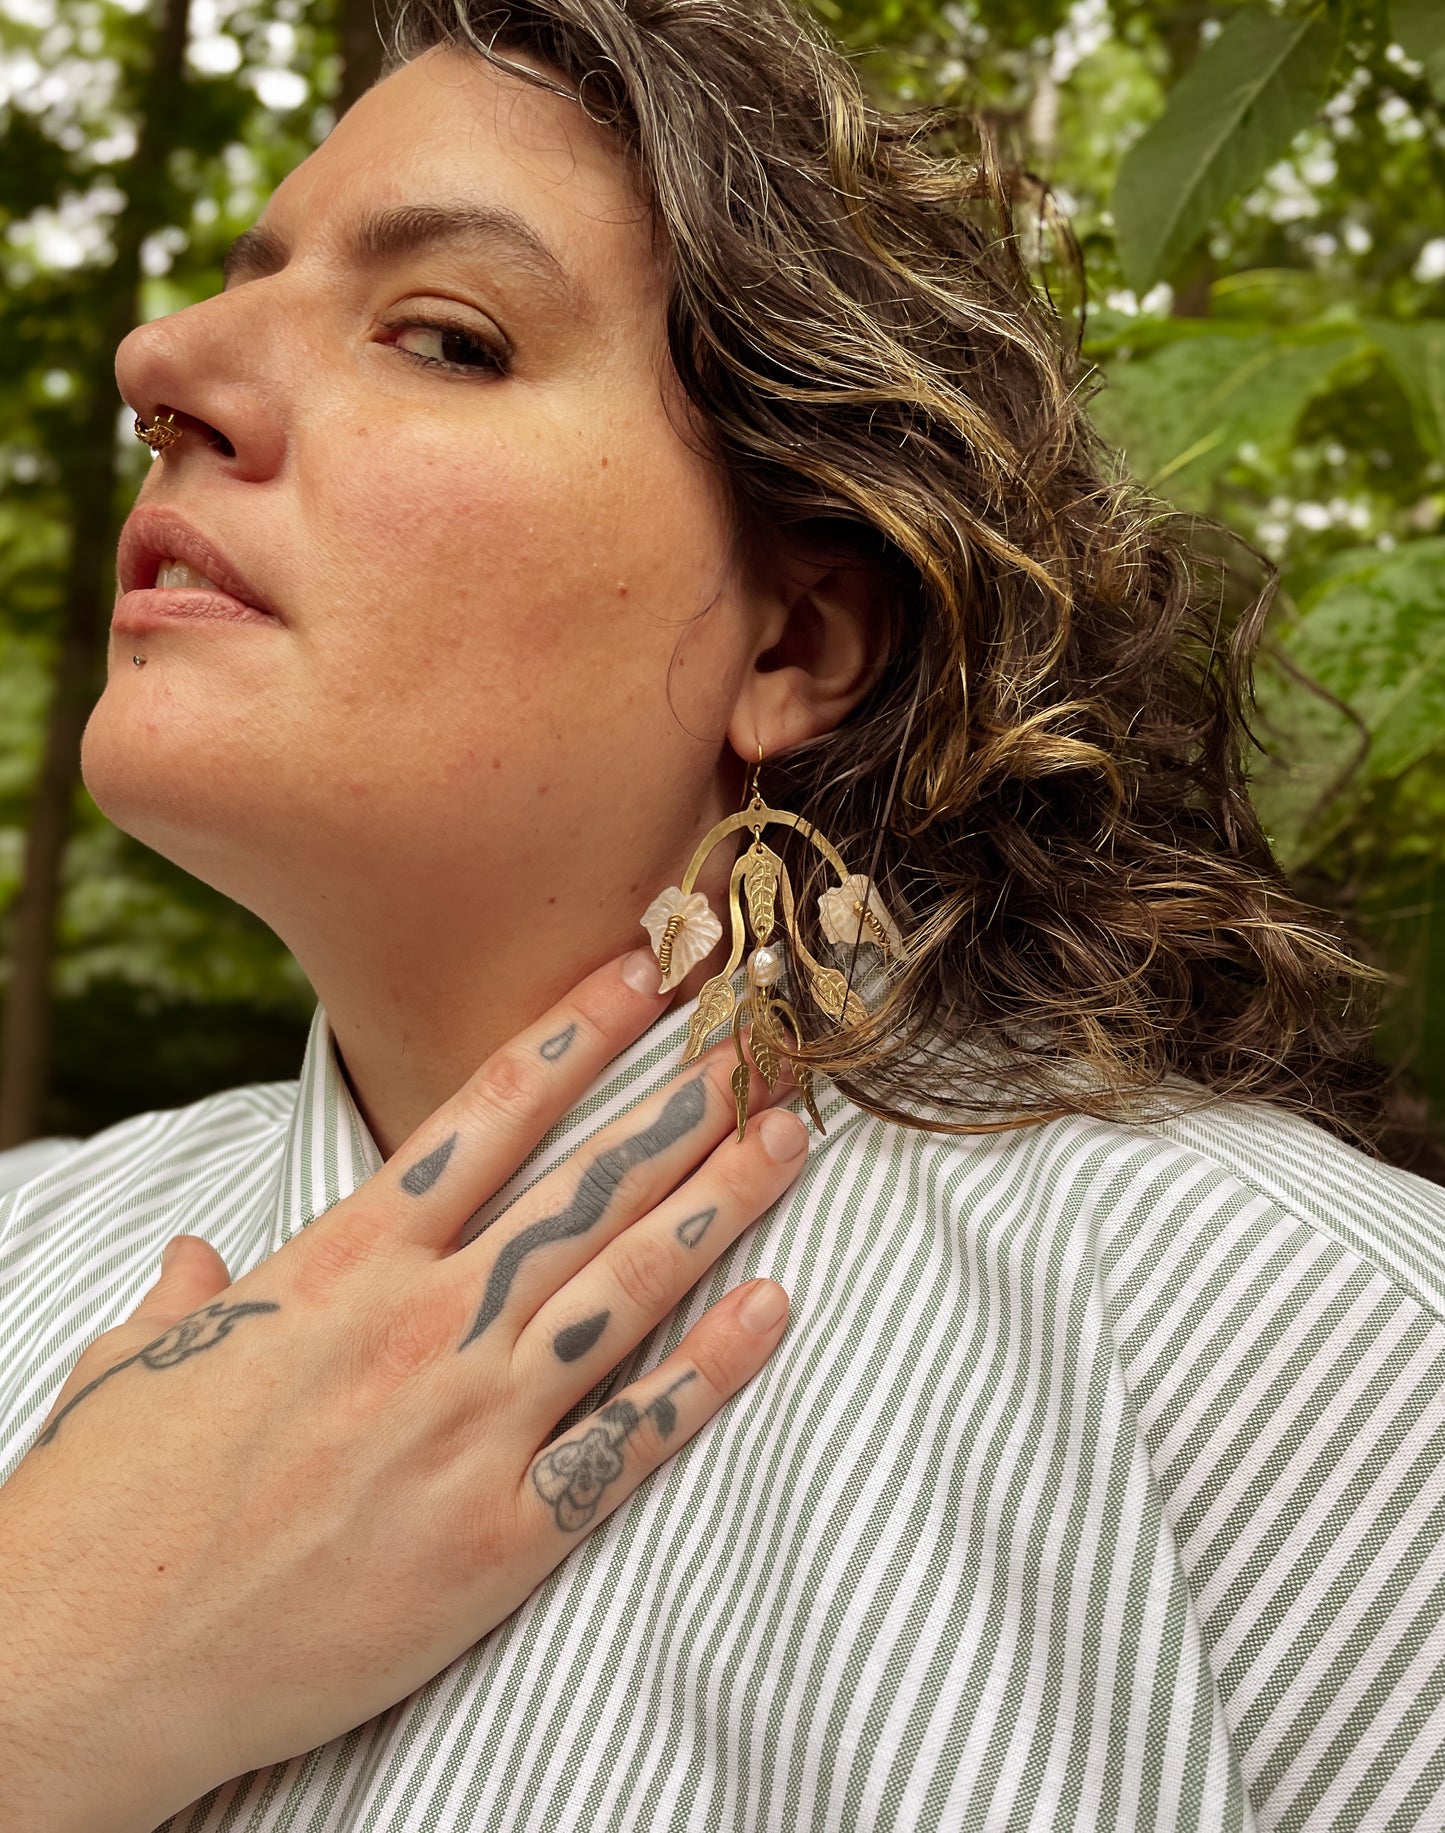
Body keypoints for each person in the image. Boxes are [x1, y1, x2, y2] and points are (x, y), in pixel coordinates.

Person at [2, 0, 1444, 1827]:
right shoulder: (22, 1250)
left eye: (442, 335)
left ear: (792, 640)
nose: (162, 357)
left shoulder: (1295, 1346)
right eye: (236, 279)